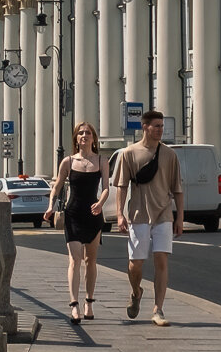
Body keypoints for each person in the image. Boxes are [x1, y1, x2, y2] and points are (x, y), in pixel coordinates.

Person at [113, 110, 183, 327]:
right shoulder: (129, 153)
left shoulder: (170, 155)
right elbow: (121, 186)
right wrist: (119, 214)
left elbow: (177, 189)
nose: (160, 130)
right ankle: (136, 291)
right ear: (144, 127)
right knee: (135, 265)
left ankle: (158, 309)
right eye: (156, 126)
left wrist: (179, 217)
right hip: (138, 214)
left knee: (161, 260)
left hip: (163, 214)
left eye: (162, 126)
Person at [44, 122, 110, 323]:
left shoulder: (101, 161)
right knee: (75, 259)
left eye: (88, 133)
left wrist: (100, 203)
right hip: (73, 214)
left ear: (93, 138)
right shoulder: (68, 161)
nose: (84, 136)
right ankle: (74, 305)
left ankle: (89, 302)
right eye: (80, 133)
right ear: (76, 138)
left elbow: (106, 187)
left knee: (91, 260)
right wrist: (50, 206)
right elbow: (56, 187)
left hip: (93, 214)